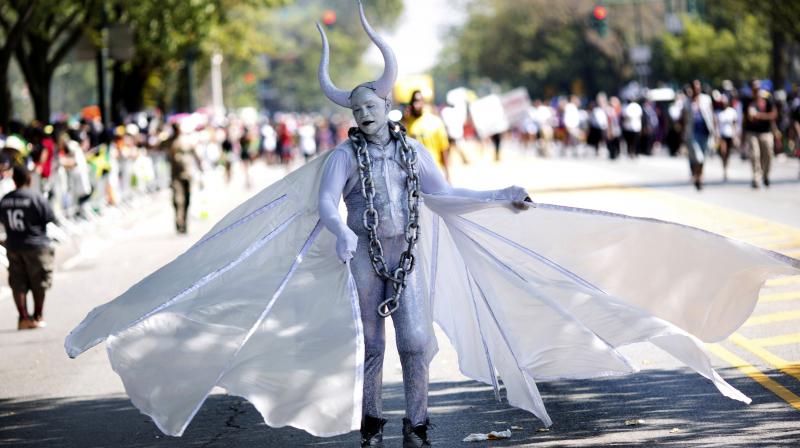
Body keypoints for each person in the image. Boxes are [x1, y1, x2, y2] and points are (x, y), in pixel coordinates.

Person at [64, 3, 800, 447]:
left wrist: (499, 191)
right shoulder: (343, 156)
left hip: (406, 254)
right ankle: (373, 415)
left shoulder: (414, 150)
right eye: (354, 110)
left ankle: (417, 417)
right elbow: (326, 202)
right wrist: (342, 230)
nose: (364, 116)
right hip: (363, 255)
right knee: (373, 339)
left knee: (415, 337)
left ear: (390, 107)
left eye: (372, 106)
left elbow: (445, 199)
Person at [0, 165, 57, 330]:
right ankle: (38, 316)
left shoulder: (5, 199)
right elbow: (49, 218)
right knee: (39, 281)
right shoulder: (36, 197)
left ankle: (23, 318)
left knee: (18, 282)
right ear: (29, 179)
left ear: (14, 180)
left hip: (14, 246)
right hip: (36, 245)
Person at [404, 90, 452, 181]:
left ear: (423, 102)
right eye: (413, 101)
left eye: (418, 101)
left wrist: (447, 174)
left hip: (434, 171)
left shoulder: (434, 121)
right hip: (417, 173)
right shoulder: (408, 123)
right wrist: (405, 119)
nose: (415, 104)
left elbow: (443, 149)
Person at [165, 122, 202, 233]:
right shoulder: (169, 141)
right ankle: (179, 221)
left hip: (188, 173)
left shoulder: (187, 141)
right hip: (176, 175)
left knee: (187, 200)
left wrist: (200, 166)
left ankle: (184, 222)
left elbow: (195, 154)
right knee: (178, 199)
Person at [682, 80, 716, 190]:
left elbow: (712, 115)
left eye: (698, 87)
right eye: (695, 87)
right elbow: (684, 118)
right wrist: (683, 134)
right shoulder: (687, 102)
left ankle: (699, 177)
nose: (697, 89)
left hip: (705, 132)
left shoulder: (706, 99)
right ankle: (697, 176)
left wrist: (715, 131)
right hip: (693, 133)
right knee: (698, 157)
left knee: (703, 157)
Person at [743, 79, 777, 188]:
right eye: (753, 88)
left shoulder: (767, 98)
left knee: (768, 154)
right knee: (755, 155)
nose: (755, 91)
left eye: (757, 88)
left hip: (765, 132)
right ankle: (756, 178)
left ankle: (766, 175)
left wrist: (759, 115)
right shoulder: (748, 100)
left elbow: (773, 115)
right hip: (752, 132)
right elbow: (744, 118)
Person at [716, 95, 739, 182]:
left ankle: (726, 168)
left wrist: (735, 136)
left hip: (730, 135)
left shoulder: (732, 112)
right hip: (722, 135)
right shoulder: (719, 113)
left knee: (728, 153)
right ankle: (724, 168)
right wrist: (717, 136)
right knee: (723, 152)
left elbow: (734, 124)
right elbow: (717, 125)